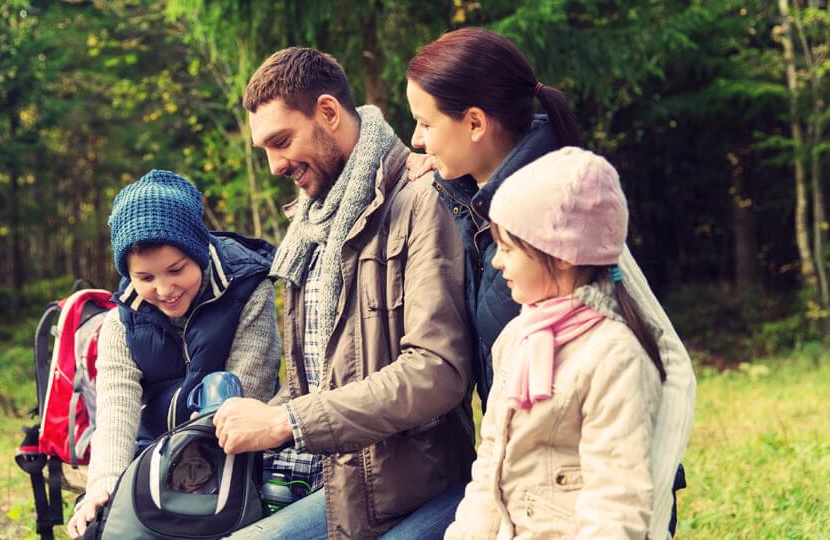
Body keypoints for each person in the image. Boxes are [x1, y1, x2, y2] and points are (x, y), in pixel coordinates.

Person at [405, 27, 694, 536]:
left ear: (474, 122)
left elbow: (666, 364)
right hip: (520, 494)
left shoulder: (562, 213)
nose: (417, 140)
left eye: (425, 123)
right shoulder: (481, 207)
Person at [211, 47, 475, 539]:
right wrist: (265, 414)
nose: (273, 166)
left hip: (413, 489)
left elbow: (436, 373)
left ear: (328, 112)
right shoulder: (310, 231)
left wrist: (288, 421)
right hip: (333, 483)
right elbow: (320, 378)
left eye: (281, 140)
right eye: (264, 150)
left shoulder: (421, 200)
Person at [446, 147, 667, 538]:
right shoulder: (518, 337)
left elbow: (616, 506)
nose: (497, 262)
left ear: (562, 255)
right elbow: (488, 471)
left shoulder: (614, 357)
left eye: (509, 249)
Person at [66, 170, 282, 537]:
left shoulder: (249, 291)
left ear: (196, 252)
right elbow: (117, 407)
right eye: (145, 278)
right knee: (97, 527)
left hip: (233, 453)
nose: (164, 289)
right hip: (153, 455)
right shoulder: (122, 320)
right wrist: (104, 484)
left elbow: (249, 397)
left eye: (176, 270)